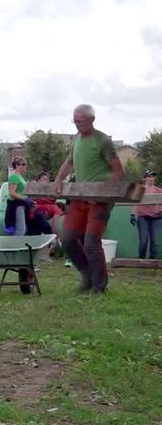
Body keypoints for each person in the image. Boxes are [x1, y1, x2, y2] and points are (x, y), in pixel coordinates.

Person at [55, 104, 125, 294]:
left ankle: (99, 286)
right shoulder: (77, 139)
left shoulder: (102, 141)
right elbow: (69, 162)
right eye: (75, 121)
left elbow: (119, 171)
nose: (77, 125)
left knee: (91, 243)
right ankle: (87, 276)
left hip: (99, 201)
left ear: (92, 120)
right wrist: (60, 178)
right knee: (67, 239)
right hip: (79, 197)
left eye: (81, 121)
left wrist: (101, 192)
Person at [133, 169, 161, 259]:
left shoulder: (159, 190)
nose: (151, 178)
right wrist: (132, 215)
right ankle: (141, 261)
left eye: (153, 176)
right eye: (149, 176)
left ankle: (153, 263)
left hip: (157, 218)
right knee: (143, 241)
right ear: (145, 178)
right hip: (143, 218)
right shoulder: (140, 190)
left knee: (155, 242)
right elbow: (134, 203)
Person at [4, 156, 34, 236]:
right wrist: (24, 198)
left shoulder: (20, 177)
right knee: (21, 229)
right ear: (17, 165)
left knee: (23, 228)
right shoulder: (14, 177)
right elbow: (12, 193)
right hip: (16, 206)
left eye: (25, 164)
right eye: (23, 164)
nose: (25, 166)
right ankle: (17, 246)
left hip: (22, 205)